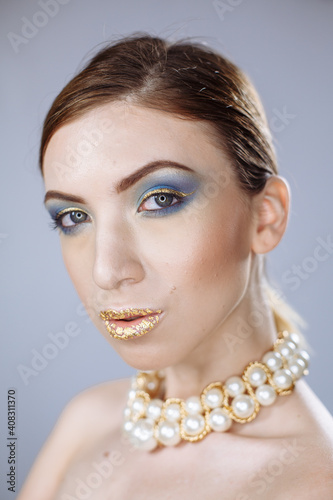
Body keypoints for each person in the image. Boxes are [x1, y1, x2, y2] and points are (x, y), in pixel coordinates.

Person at [18, 32, 333, 500]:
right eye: (74, 217)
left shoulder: (313, 480)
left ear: (266, 216)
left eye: (160, 199)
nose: (107, 271)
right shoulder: (86, 420)